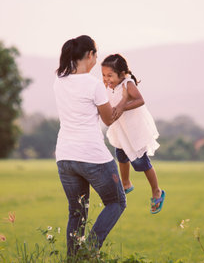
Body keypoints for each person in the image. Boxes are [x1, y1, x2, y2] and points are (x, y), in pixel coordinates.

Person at [54, 36, 127, 256]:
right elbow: (108, 119)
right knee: (116, 202)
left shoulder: (59, 80)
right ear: (90, 55)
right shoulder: (93, 84)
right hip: (91, 155)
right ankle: (88, 252)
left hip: (65, 156)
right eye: (96, 54)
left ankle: (74, 260)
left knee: (77, 213)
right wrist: (124, 98)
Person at [101, 54, 166, 214]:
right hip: (121, 131)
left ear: (121, 73)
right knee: (121, 156)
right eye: (103, 75)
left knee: (141, 163)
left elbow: (140, 100)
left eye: (110, 75)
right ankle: (125, 183)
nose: (106, 79)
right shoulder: (109, 86)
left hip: (134, 130)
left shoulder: (127, 83)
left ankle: (157, 190)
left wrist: (123, 107)